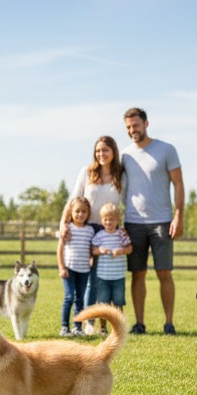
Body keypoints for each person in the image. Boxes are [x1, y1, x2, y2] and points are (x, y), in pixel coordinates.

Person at [120, 107, 185, 335]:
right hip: (133, 222)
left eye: (135, 125)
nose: (132, 130)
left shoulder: (166, 150)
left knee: (164, 272)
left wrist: (178, 216)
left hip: (163, 221)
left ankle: (169, 323)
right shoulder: (125, 155)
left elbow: (178, 183)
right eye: (128, 127)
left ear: (146, 124)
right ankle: (139, 323)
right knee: (138, 273)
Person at [59, 136, 126, 333]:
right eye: (98, 151)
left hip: (109, 230)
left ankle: (107, 319)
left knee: (102, 278)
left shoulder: (120, 175)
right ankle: (88, 322)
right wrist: (64, 222)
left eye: (105, 150)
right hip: (86, 229)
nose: (101, 154)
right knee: (89, 278)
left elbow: (127, 201)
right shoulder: (87, 172)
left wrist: (124, 228)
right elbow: (73, 199)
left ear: (113, 152)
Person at [90, 202, 132, 334]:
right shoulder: (100, 235)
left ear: (117, 220)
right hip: (103, 276)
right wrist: (100, 250)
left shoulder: (121, 234)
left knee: (118, 302)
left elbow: (130, 249)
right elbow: (93, 250)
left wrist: (121, 251)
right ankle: (103, 328)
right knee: (103, 303)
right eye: (106, 219)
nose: (108, 222)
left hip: (118, 275)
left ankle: (119, 327)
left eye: (112, 219)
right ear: (102, 220)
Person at [57, 197, 95, 336]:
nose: (80, 214)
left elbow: (91, 248)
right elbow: (60, 249)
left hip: (84, 270)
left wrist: (91, 260)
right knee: (69, 297)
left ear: (88, 213)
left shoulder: (90, 230)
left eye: (84, 211)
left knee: (80, 299)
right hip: (69, 269)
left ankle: (77, 327)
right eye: (77, 211)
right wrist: (62, 267)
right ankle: (64, 327)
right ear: (71, 212)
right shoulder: (68, 228)